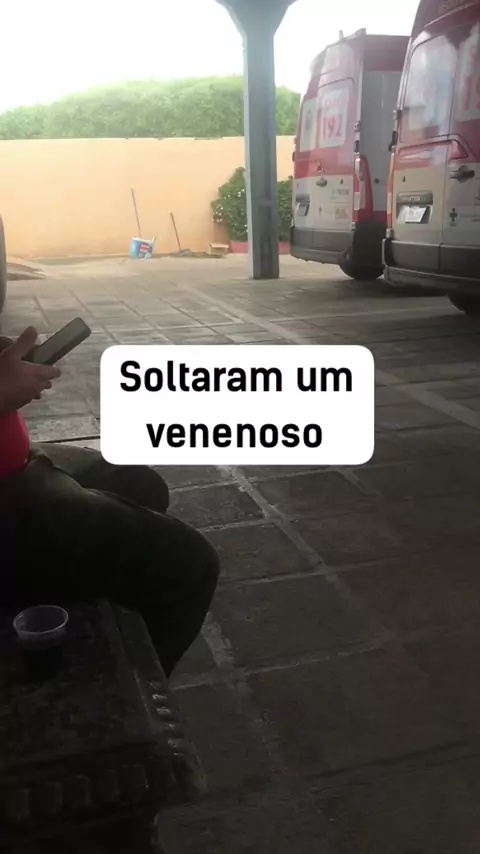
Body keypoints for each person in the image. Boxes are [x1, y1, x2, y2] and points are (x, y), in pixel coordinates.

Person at [0, 326, 220, 677]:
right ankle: (112, 697)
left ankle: (67, 611)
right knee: (186, 563)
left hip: (16, 455)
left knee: (138, 483)